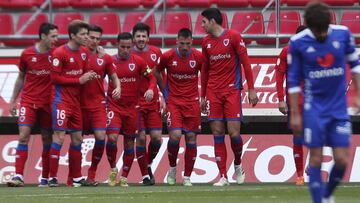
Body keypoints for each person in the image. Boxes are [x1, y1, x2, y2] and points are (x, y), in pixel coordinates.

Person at [287, 2, 360, 203]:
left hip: (338, 108)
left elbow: (355, 64)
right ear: (309, 26)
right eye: (317, 30)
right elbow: (293, 80)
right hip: (313, 109)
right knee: (316, 159)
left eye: (324, 29)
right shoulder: (298, 42)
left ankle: (326, 195)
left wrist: (358, 94)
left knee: (343, 160)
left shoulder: (343, 34)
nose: (321, 34)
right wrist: (294, 113)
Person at [200, 8, 258, 186]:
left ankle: (238, 164)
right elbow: (205, 70)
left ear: (212, 21)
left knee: (234, 134)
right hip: (212, 92)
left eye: (203, 22)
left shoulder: (234, 36)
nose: (202, 25)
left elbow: (246, 63)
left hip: (232, 90)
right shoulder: (205, 42)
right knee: (217, 132)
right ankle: (223, 176)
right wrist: (202, 96)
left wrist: (251, 88)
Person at [7, 23, 59, 187]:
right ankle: (18, 176)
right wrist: (13, 100)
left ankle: (45, 177)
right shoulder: (27, 54)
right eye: (53, 36)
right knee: (23, 136)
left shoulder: (57, 54)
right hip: (29, 101)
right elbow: (21, 77)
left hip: (48, 103)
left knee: (47, 138)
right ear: (43, 36)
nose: (56, 39)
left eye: (57, 36)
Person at [48, 20, 96, 187]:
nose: (86, 37)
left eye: (86, 34)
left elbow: (85, 74)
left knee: (77, 139)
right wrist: (79, 80)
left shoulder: (84, 52)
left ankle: (76, 177)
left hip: (76, 104)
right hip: (61, 101)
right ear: (72, 35)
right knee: (59, 137)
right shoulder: (59, 53)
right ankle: (52, 177)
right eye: (82, 34)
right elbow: (54, 78)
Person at [106, 32, 156, 187]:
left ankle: (125, 176)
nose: (126, 50)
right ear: (117, 45)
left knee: (129, 143)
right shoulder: (110, 61)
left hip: (132, 108)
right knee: (112, 138)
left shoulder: (139, 62)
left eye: (128, 47)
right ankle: (113, 168)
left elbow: (152, 77)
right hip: (114, 106)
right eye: (123, 47)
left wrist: (151, 89)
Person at [154, 28, 202, 186]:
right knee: (175, 136)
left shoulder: (198, 56)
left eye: (188, 44)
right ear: (176, 41)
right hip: (174, 102)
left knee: (191, 138)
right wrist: (164, 92)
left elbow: (207, 75)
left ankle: (187, 176)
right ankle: (173, 168)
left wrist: (204, 96)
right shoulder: (168, 56)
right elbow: (156, 71)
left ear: (192, 42)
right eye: (182, 43)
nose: (185, 47)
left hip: (192, 103)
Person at [81, 25, 121, 186]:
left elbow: (114, 76)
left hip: (98, 104)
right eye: (92, 37)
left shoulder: (105, 57)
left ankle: (91, 174)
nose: (95, 41)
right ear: (86, 37)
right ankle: (73, 177)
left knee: (100, 138)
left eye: (98, 38)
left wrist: (118, 87)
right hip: (78, 105)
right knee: (75, 140)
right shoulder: (78, 55)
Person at [275, 25, 307, 186]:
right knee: (298, 138)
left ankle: (314, 162)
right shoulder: (286, 52)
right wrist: (281, 99)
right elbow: (279, 76)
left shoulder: (316, 52)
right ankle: (300, 175)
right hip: (294, 103)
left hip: (314, 101)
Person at [131, 23, 163, 185]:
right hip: (136, 104)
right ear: (133, 38)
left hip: (153, 102)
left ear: (148, 38)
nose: (141, 39)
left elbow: (159, 76)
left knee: (157, 139)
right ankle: (145, 175)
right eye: (138, 36)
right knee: (141, 138)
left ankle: (148, 163)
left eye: (144, 36)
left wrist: (165, 95)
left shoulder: (156, 52)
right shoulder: (128, 54)